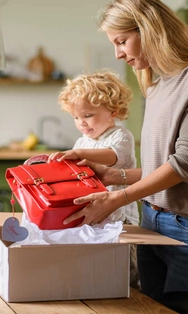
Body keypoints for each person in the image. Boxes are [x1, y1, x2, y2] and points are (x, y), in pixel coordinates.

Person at [63, 0, 188, 300]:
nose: (118, 53)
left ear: (149, 29)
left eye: (122, 41)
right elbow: (164, 168)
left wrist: (116, 199)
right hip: (152, 221)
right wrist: (114, 176)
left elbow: (187, 164)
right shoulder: (156, 86)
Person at [48, 70, 141, 288]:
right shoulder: (82, 142)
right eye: (76, 117)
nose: (82, 123)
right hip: (95, 218)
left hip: (121, 219)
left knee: (125, 272)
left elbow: (113, 156)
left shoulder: (121, 136)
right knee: (98, 272)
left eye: (88, 115)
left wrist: (79, 155)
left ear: (113, 111)